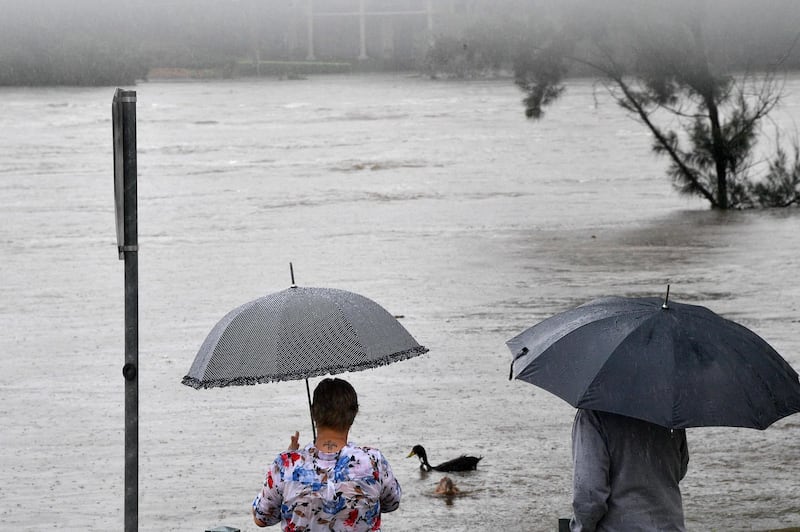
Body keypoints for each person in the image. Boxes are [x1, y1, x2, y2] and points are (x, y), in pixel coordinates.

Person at [252, 378, 401, 531]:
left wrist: (291, 456)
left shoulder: (285, 464)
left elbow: (262, 518)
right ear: (354, 413)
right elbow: (392, 503)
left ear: (313, 413)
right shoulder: (373, 461)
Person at [570, 409, 689, 532]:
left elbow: (589, 495)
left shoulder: (593, 413)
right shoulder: (670, 412)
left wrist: (581, 528)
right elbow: (680, 469)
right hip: (671, 526)